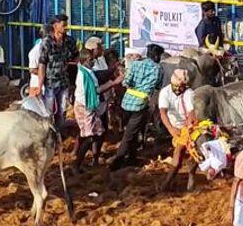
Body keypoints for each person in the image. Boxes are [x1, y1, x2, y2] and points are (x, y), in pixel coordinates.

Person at [110, 43, 164, 171]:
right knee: (130, 133)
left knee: (133, 131)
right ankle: (117, 162)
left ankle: (132, 158)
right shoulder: (157, 69)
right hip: (141, 104)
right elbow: (157, 86)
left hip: (127, 101)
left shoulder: (135, 64)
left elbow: (126, 82)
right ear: (156, 56)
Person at [73, 48, 122, 173]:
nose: (93, 62)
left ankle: (92, 159)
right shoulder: (85, 75)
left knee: (98, 133)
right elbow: (97, 90)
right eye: (90, 60)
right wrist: (113, 82)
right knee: (90, 136)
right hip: (85, 108)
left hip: (90, 107)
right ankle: (76, 165)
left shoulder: (87, 72)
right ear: (83, 61)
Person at [36, 14, 79, 128]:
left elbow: (76, 56)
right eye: (63, 25)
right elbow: (42, 64)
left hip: (64, 81)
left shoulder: (69, 41)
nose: (66, 28)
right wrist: (39, 86)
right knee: (48, 111)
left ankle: (60, 133)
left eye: (66, 25)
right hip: (50, 83)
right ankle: (49, 132)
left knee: (62, 109)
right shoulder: (47, 42)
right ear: (55, 26)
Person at [160, 68, 197, 191]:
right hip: (174, 126)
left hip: (189, 126)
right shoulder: (165, 93)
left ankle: (169, 182)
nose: (180, 89)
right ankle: (169, 181)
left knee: (187, 151)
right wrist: (171, 129)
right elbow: (163, 113)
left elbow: (191, 111)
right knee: (179, 152)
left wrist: (190, 122)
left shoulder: (189, 93)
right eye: (178, 86)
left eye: (183, 87)